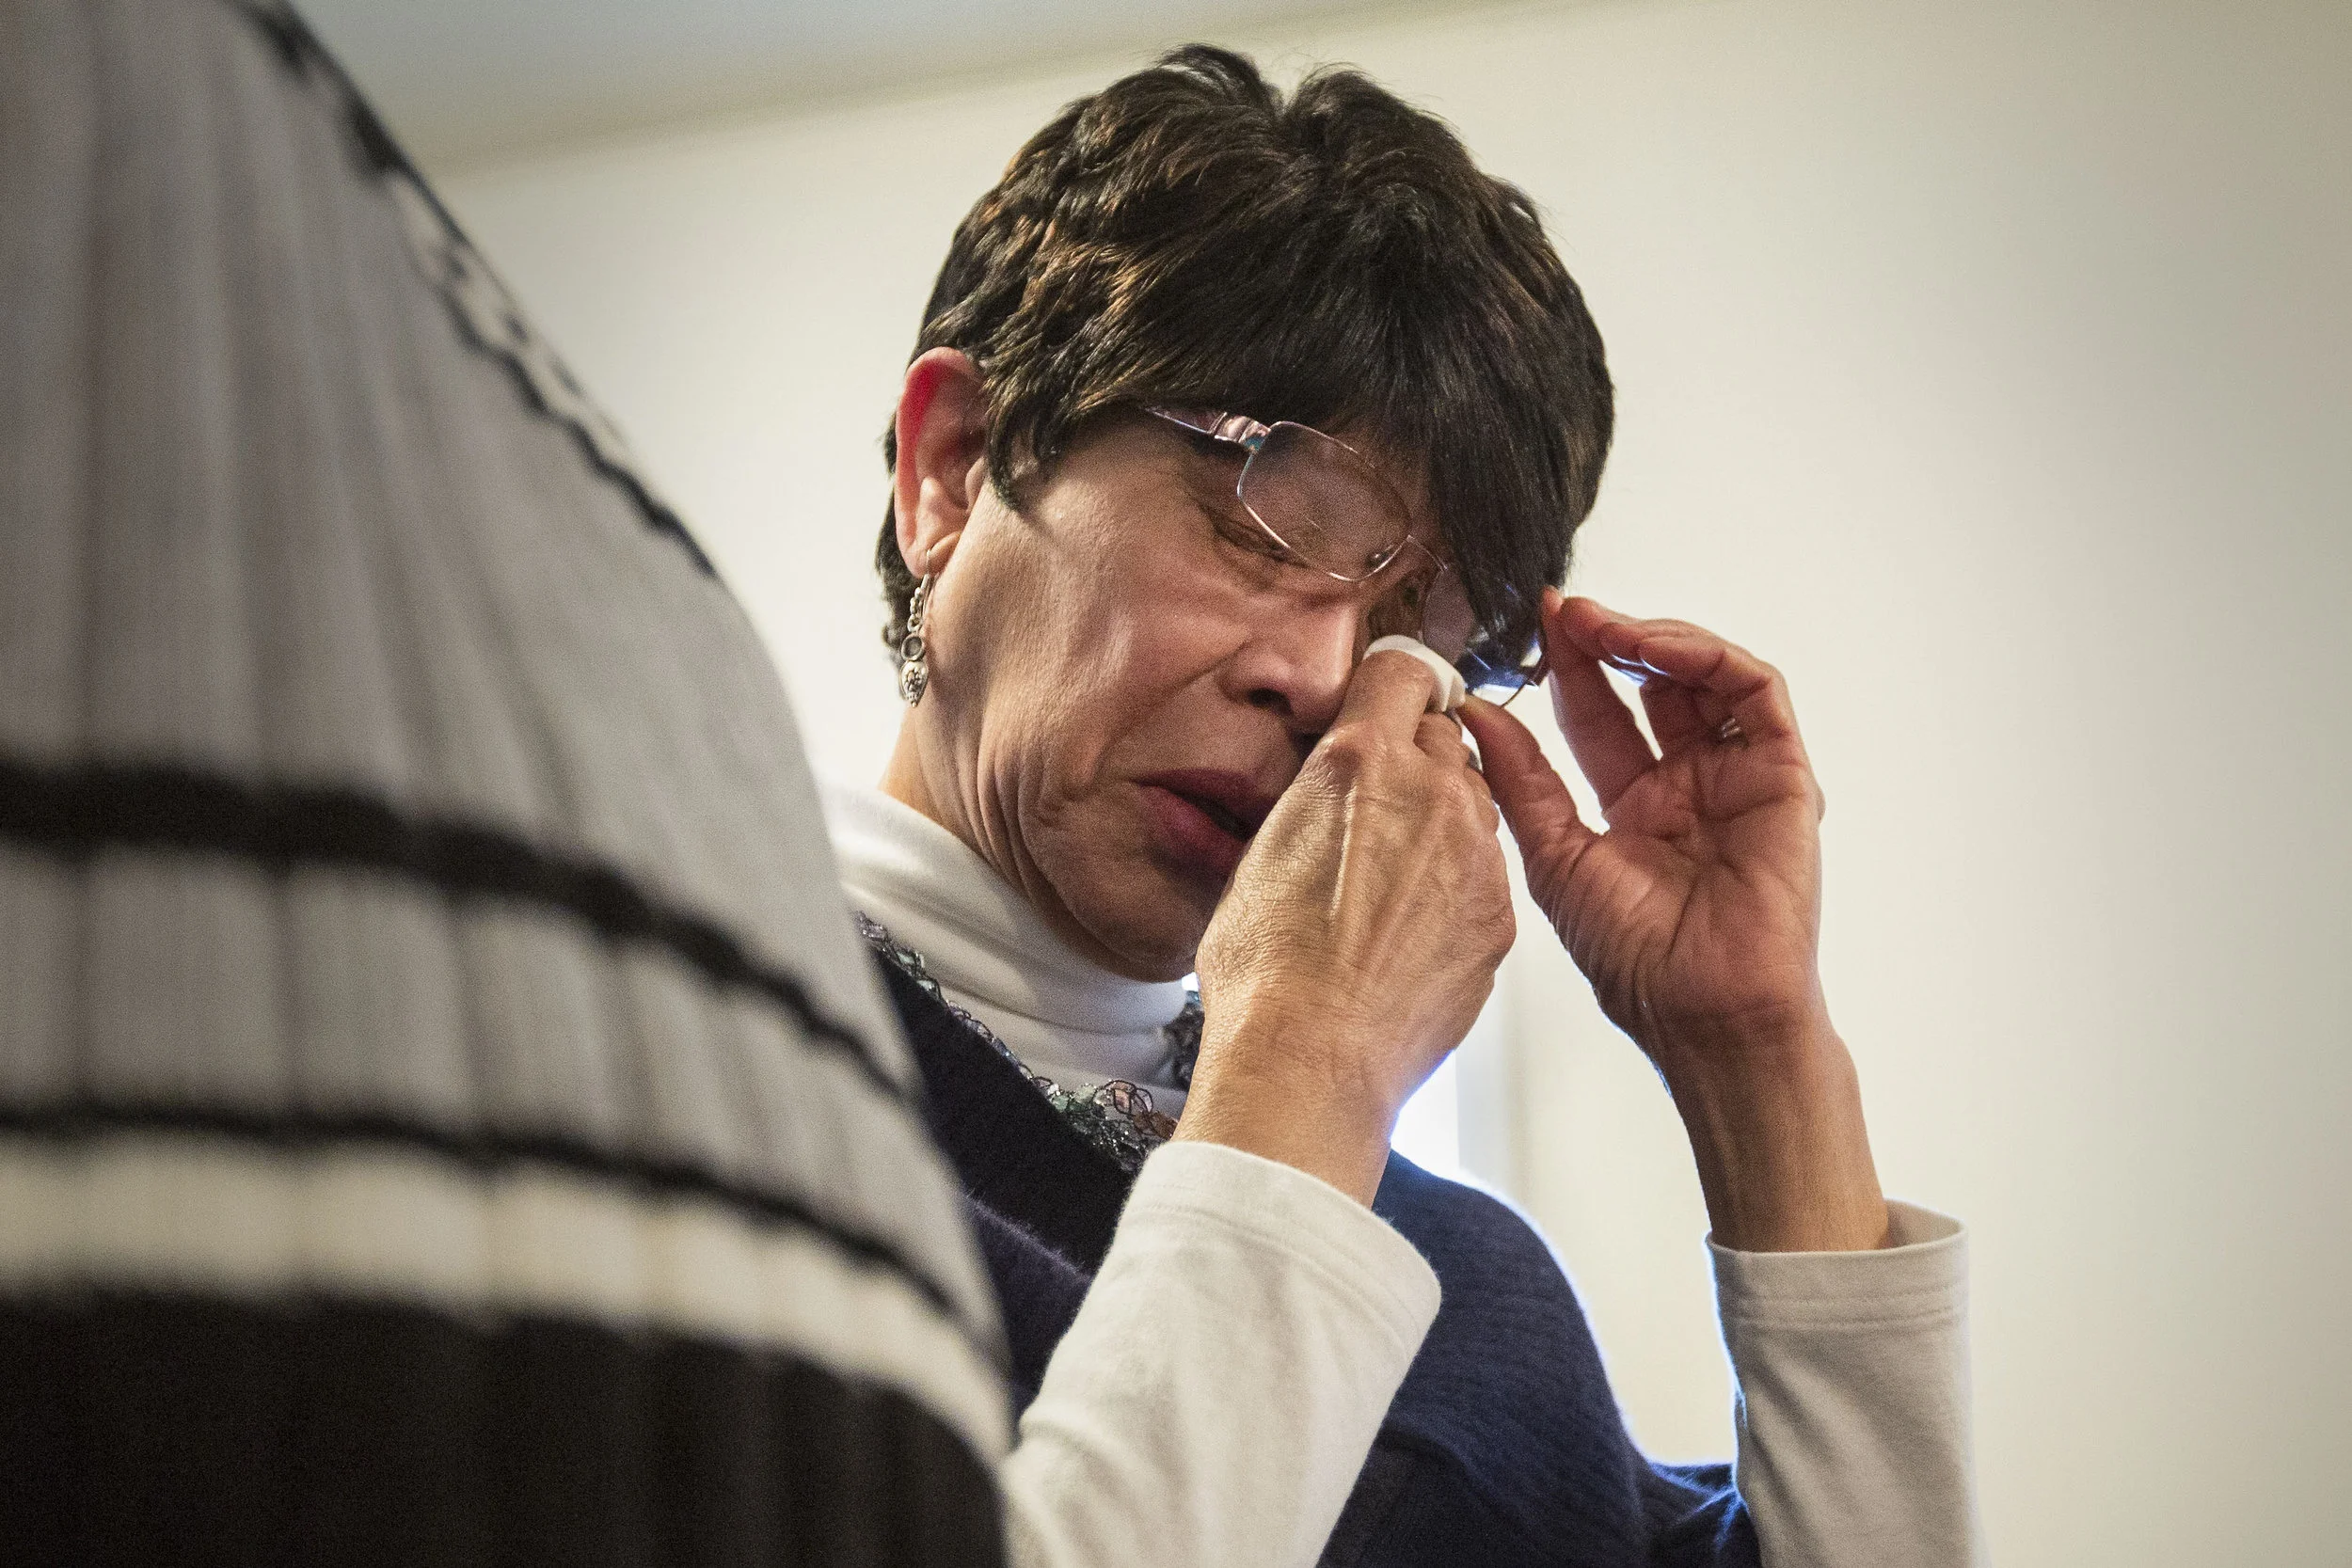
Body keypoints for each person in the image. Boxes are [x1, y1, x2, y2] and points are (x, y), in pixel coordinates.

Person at [826, 45, 1980, 1568]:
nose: (1327, 680)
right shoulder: (695, 1063)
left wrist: (1756, 1051)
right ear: (955, 470)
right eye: (1271, 519)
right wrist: (1310, 1056)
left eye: (1426, 633)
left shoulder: (1464, 1279)